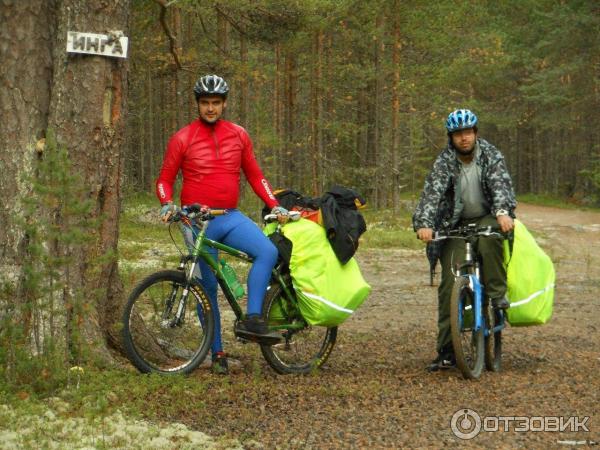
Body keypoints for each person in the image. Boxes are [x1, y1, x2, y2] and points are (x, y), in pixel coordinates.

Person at [156, 74, 288, 375]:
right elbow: (164, 180)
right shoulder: (182, 138)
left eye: (216, 103)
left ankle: (253, 319)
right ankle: (217, 353)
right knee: (207, 288)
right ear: (197, 105)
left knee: (267, 252)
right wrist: (167, 203)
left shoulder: (239, 135)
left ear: (225, 104)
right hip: (196, 222)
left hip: (229, 216)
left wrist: (273, 203)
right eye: (205, 103)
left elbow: (255, 175)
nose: (211, 108)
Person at [412, 108, 516, 372]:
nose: (464, 138)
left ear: (475, 133)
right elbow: (431, 194)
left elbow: (501, 186)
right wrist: (424, 223)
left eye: (467, 132)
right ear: (451, 137)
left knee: (490, 238)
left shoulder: (490, 155)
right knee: (448, 285)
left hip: (487, 217)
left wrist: (503, 212)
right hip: (454, 225)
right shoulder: (445, 161)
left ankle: (496, 295)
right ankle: (447, 351)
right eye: (458, 134)